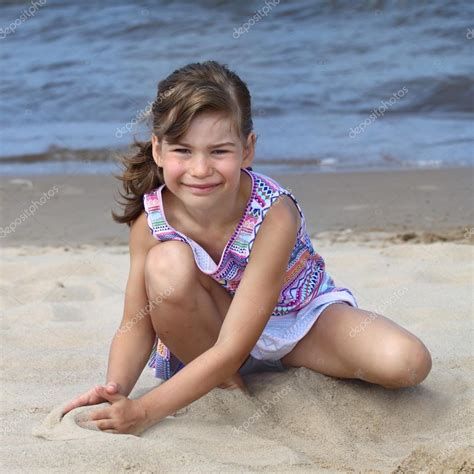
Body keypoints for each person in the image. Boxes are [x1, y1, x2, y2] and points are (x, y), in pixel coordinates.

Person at [61, 60, 432, 435]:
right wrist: (116, 392)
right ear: (158, 150)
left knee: (408, 362)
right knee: (165, 264)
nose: (200, 169)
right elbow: (136, 324)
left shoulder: (273, 213)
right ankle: (226, 384)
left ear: (247, 149)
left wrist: (144, 412)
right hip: (212, 328)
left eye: (219, 151)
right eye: (183, 151)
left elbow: (234, 346)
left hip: (298, 322)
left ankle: (245, 370)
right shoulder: (151, 222)